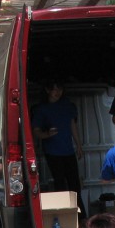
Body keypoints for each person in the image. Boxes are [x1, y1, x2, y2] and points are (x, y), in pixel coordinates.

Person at [33, 80, 85, 214]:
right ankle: (65, 215)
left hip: (68, 150)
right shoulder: (41, 109)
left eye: (59, 89)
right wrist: (47, 134)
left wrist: (78, 145)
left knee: (75, 185)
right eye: (54, 89)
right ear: (47, 90)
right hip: (52, 152)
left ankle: (81, 215)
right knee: (60, 183)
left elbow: (72, 125)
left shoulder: (67, 105)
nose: (57, 92)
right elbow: (36, 131)